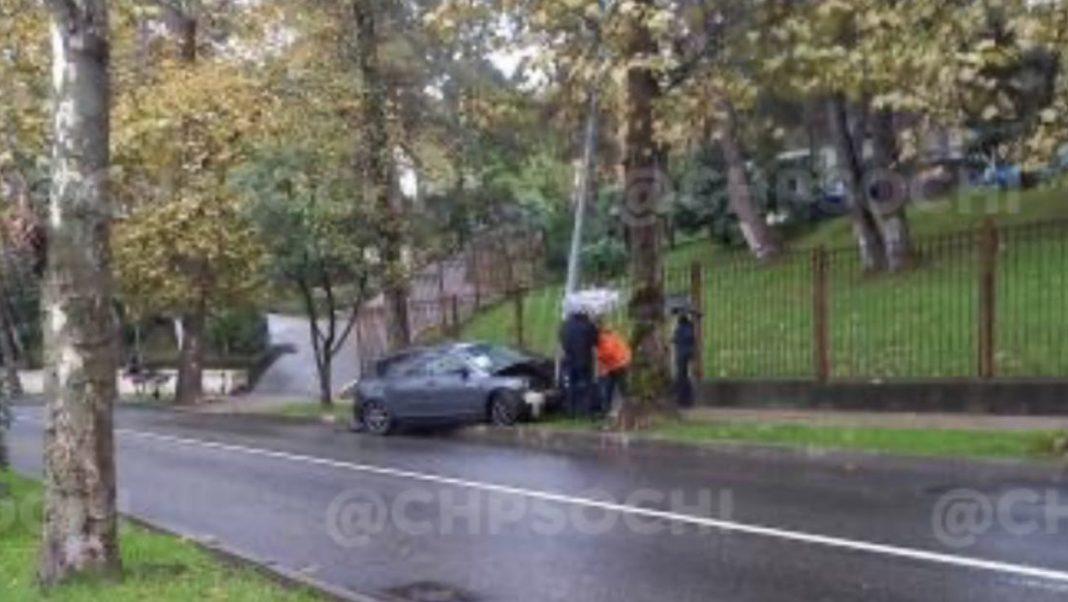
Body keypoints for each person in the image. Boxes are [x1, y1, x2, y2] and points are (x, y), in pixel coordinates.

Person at [559, 311, 599, 418]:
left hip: (569, 360)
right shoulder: (588, 325)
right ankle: (587, 411)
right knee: (587, 385)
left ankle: (571, 412)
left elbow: (562, 341)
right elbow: (596, 341)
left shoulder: (565, 326)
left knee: (571, 386)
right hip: (584, 359)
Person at [596, 323, 631, 419]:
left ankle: (609, 411)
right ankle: (619, 409)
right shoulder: (615, 337)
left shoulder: (603, 340)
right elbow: (625, 350)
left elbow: (607, 354)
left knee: (609, 389)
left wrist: (603, 367)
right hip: (622, 363)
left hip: (617, 365)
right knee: (620, 389)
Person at [673, 310, 697, 407]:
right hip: (687, 355)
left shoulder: (682, 329)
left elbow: (677, 339)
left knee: (681, 377)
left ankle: (683, 400)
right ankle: (685, 400)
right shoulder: (690, 327)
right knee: (684, 377)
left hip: (682, 355)